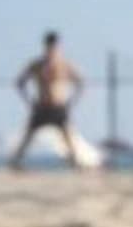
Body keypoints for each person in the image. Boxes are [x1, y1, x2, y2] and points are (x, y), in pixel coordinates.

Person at [11, 33, 85, 170]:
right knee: (28, 135)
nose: (51, 49)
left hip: (58, 106)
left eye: (54, 46)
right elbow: (19, 83)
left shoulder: (65, 64)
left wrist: (71, 101)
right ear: (45, 46)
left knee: (67, 135)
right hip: (41, 106)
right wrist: (29, 101)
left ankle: (75, 163)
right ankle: (15, 162)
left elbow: (80, 83)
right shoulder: (37, 65)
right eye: (49, 46)